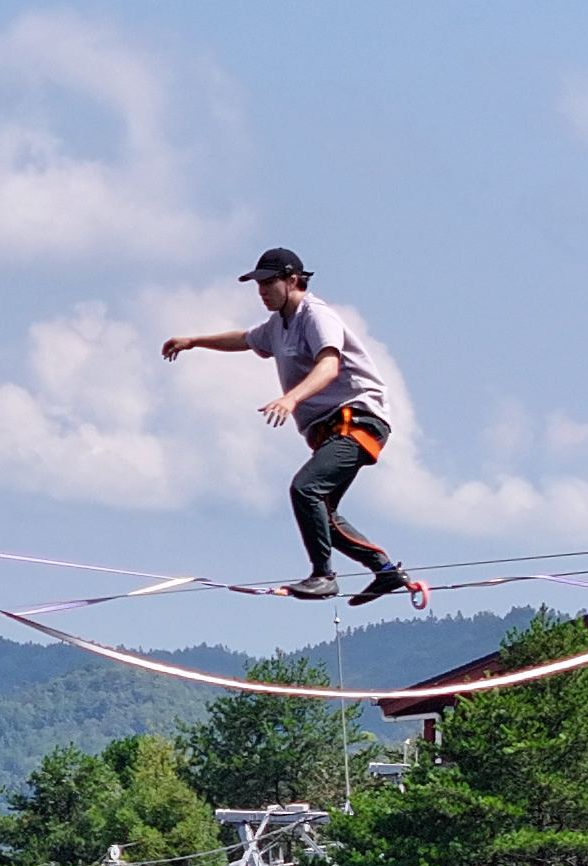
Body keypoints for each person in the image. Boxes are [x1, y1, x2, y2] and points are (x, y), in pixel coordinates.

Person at [160, 246, 414, 603]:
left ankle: (323, 576)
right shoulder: (279, 325)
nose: (261, 291)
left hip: (357, 419)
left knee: (305, 489)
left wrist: (291, 399)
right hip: (332, 428)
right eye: (258, 285)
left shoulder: (316, 316)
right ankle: (385, 572)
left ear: (292, 280)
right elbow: (246, 340)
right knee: (321, 514)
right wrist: (194, 341)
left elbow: (329, 366)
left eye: (268, 283)